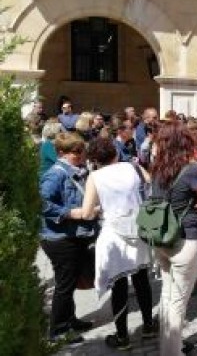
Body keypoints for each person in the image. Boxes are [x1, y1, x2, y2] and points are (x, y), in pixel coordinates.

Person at [69, 137, 155, 350]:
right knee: (142, 278)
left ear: (95, 159)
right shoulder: (131, 167)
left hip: (114, 233)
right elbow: (149, 181)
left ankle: (123, 336)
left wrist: (70, 212)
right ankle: (148, 326)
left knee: (119, 285)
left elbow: (88, 213)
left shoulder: (95, 177)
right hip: (138, 227)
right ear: (115, 153)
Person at [150, 122, 197, 356]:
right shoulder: (192, 170)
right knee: (177, 302)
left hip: (161, 238)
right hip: (185, 239)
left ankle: (169, 346)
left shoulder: (156, 168)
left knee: (167, 297)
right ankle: (171, 352)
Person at [40, 132, 98, 344]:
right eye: (76, 152)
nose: (81, 155)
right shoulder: (56, 174)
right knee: (64, 284)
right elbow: (43, 203)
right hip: (58, 238)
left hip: (73, 234)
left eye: (82, 151)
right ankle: (58, 330)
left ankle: (70, 320)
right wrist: (70, 212)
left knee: (70, 281)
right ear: (61, 153)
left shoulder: (79, 170)